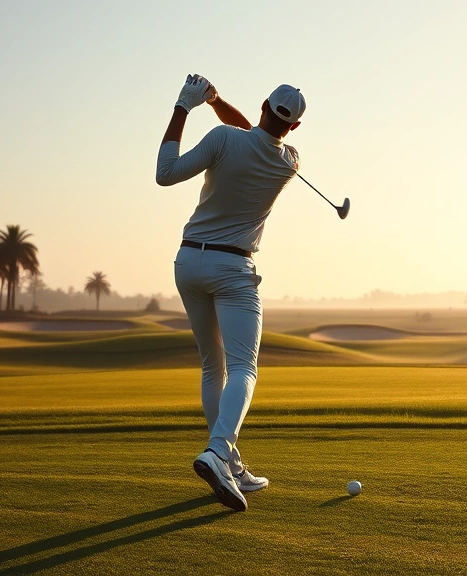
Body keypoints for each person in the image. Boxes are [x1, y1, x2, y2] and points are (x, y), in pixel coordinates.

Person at [156, 74, 306, 512]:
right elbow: (258, 135)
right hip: (233, 268)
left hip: (188, 262)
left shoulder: (223, 138)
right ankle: (218, 451)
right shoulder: (290, 162)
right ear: (294, 126)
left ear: (263, 104)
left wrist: (188, 105)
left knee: (212, 367)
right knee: (244, 367)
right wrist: (219, 103)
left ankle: (232, 463)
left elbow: (166, 174)